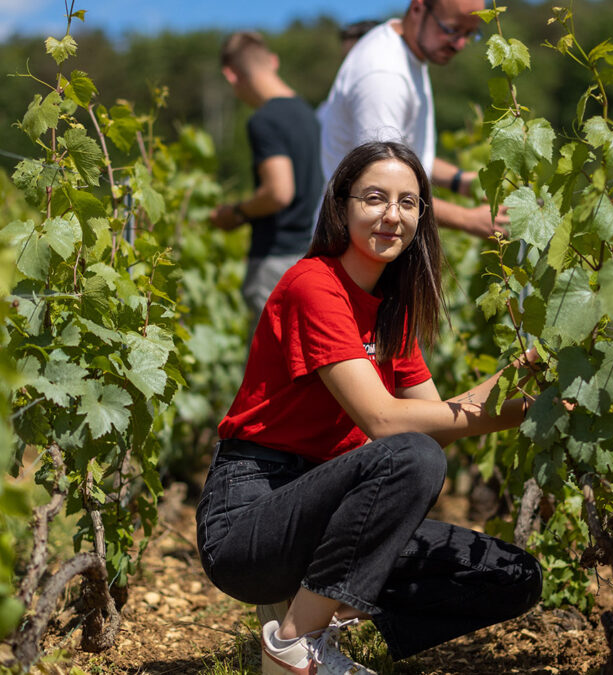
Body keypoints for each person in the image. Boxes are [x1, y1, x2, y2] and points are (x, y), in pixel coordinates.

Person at [196, 141, 542, 675]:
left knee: (513, 576)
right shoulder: (314, 285)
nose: (393, 215)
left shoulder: (391, 312)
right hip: (251, 521)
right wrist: (507, 415)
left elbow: (439, 418)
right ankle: (293, 644)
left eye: (408, 203)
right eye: (375, 198)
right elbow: (384, 421)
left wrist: (513, 379)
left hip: (337, 515)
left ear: (422, 217)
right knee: (414, 457)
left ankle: (328, 625)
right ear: (341, 205)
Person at [318, 0, 508, 238]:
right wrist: (466, 218)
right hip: (352, 249)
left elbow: (401, 152)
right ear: (418, 9)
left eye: (470, 34)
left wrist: (461, 181)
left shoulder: (407, 50)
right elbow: (384, 184)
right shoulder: (384, 75)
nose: (460, 44)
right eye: (451, 29)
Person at [210, 32, 324, 337]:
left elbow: (278, 191)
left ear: (231, 75)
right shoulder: (310, 116)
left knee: (269, 371)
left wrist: (235, 214)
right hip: (309, 254)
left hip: (275, 262)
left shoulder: (264, 120)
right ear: (273, 62)